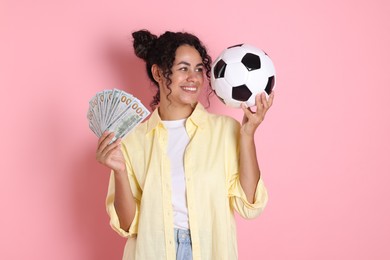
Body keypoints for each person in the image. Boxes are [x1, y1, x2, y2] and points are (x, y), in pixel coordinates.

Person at [96, 29, 274, 260]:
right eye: (183, 68)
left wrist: (248, 134)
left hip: (211, 250)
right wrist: (119, 171)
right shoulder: (132, 140)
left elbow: (250, 205)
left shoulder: (226, 130)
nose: (194, 78)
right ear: (158, 73)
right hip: (154, 251)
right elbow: (128, 225)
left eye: (199, 69)